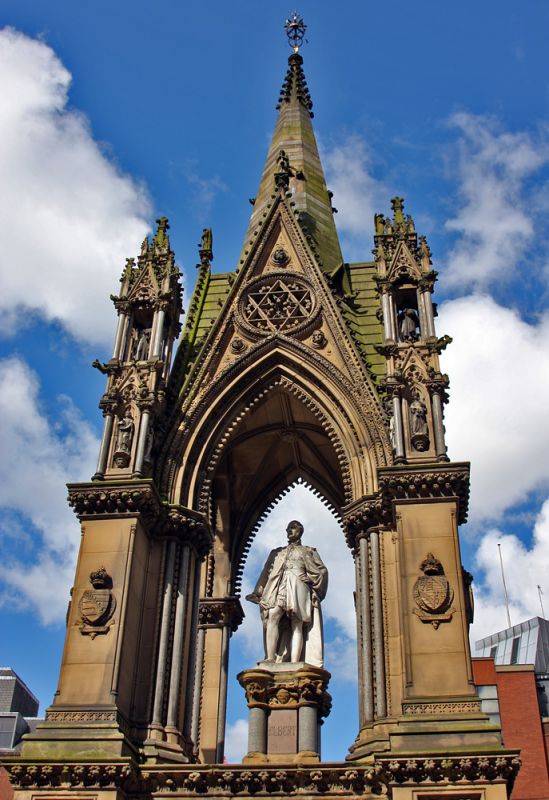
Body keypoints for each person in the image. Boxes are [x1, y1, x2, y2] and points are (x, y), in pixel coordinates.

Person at [246, 520, 328, 667]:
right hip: (278, 586)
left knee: (297, 623)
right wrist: (258, 592)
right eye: (288, 529)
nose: (289, 531)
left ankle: (295, 662)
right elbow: (266, 573)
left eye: (293, 528)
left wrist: (310, 579)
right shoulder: (277, 552)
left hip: (299, 586)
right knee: (273, 617)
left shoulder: (309, 551)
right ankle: (270, 657)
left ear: (300, 531)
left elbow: (322, 570)